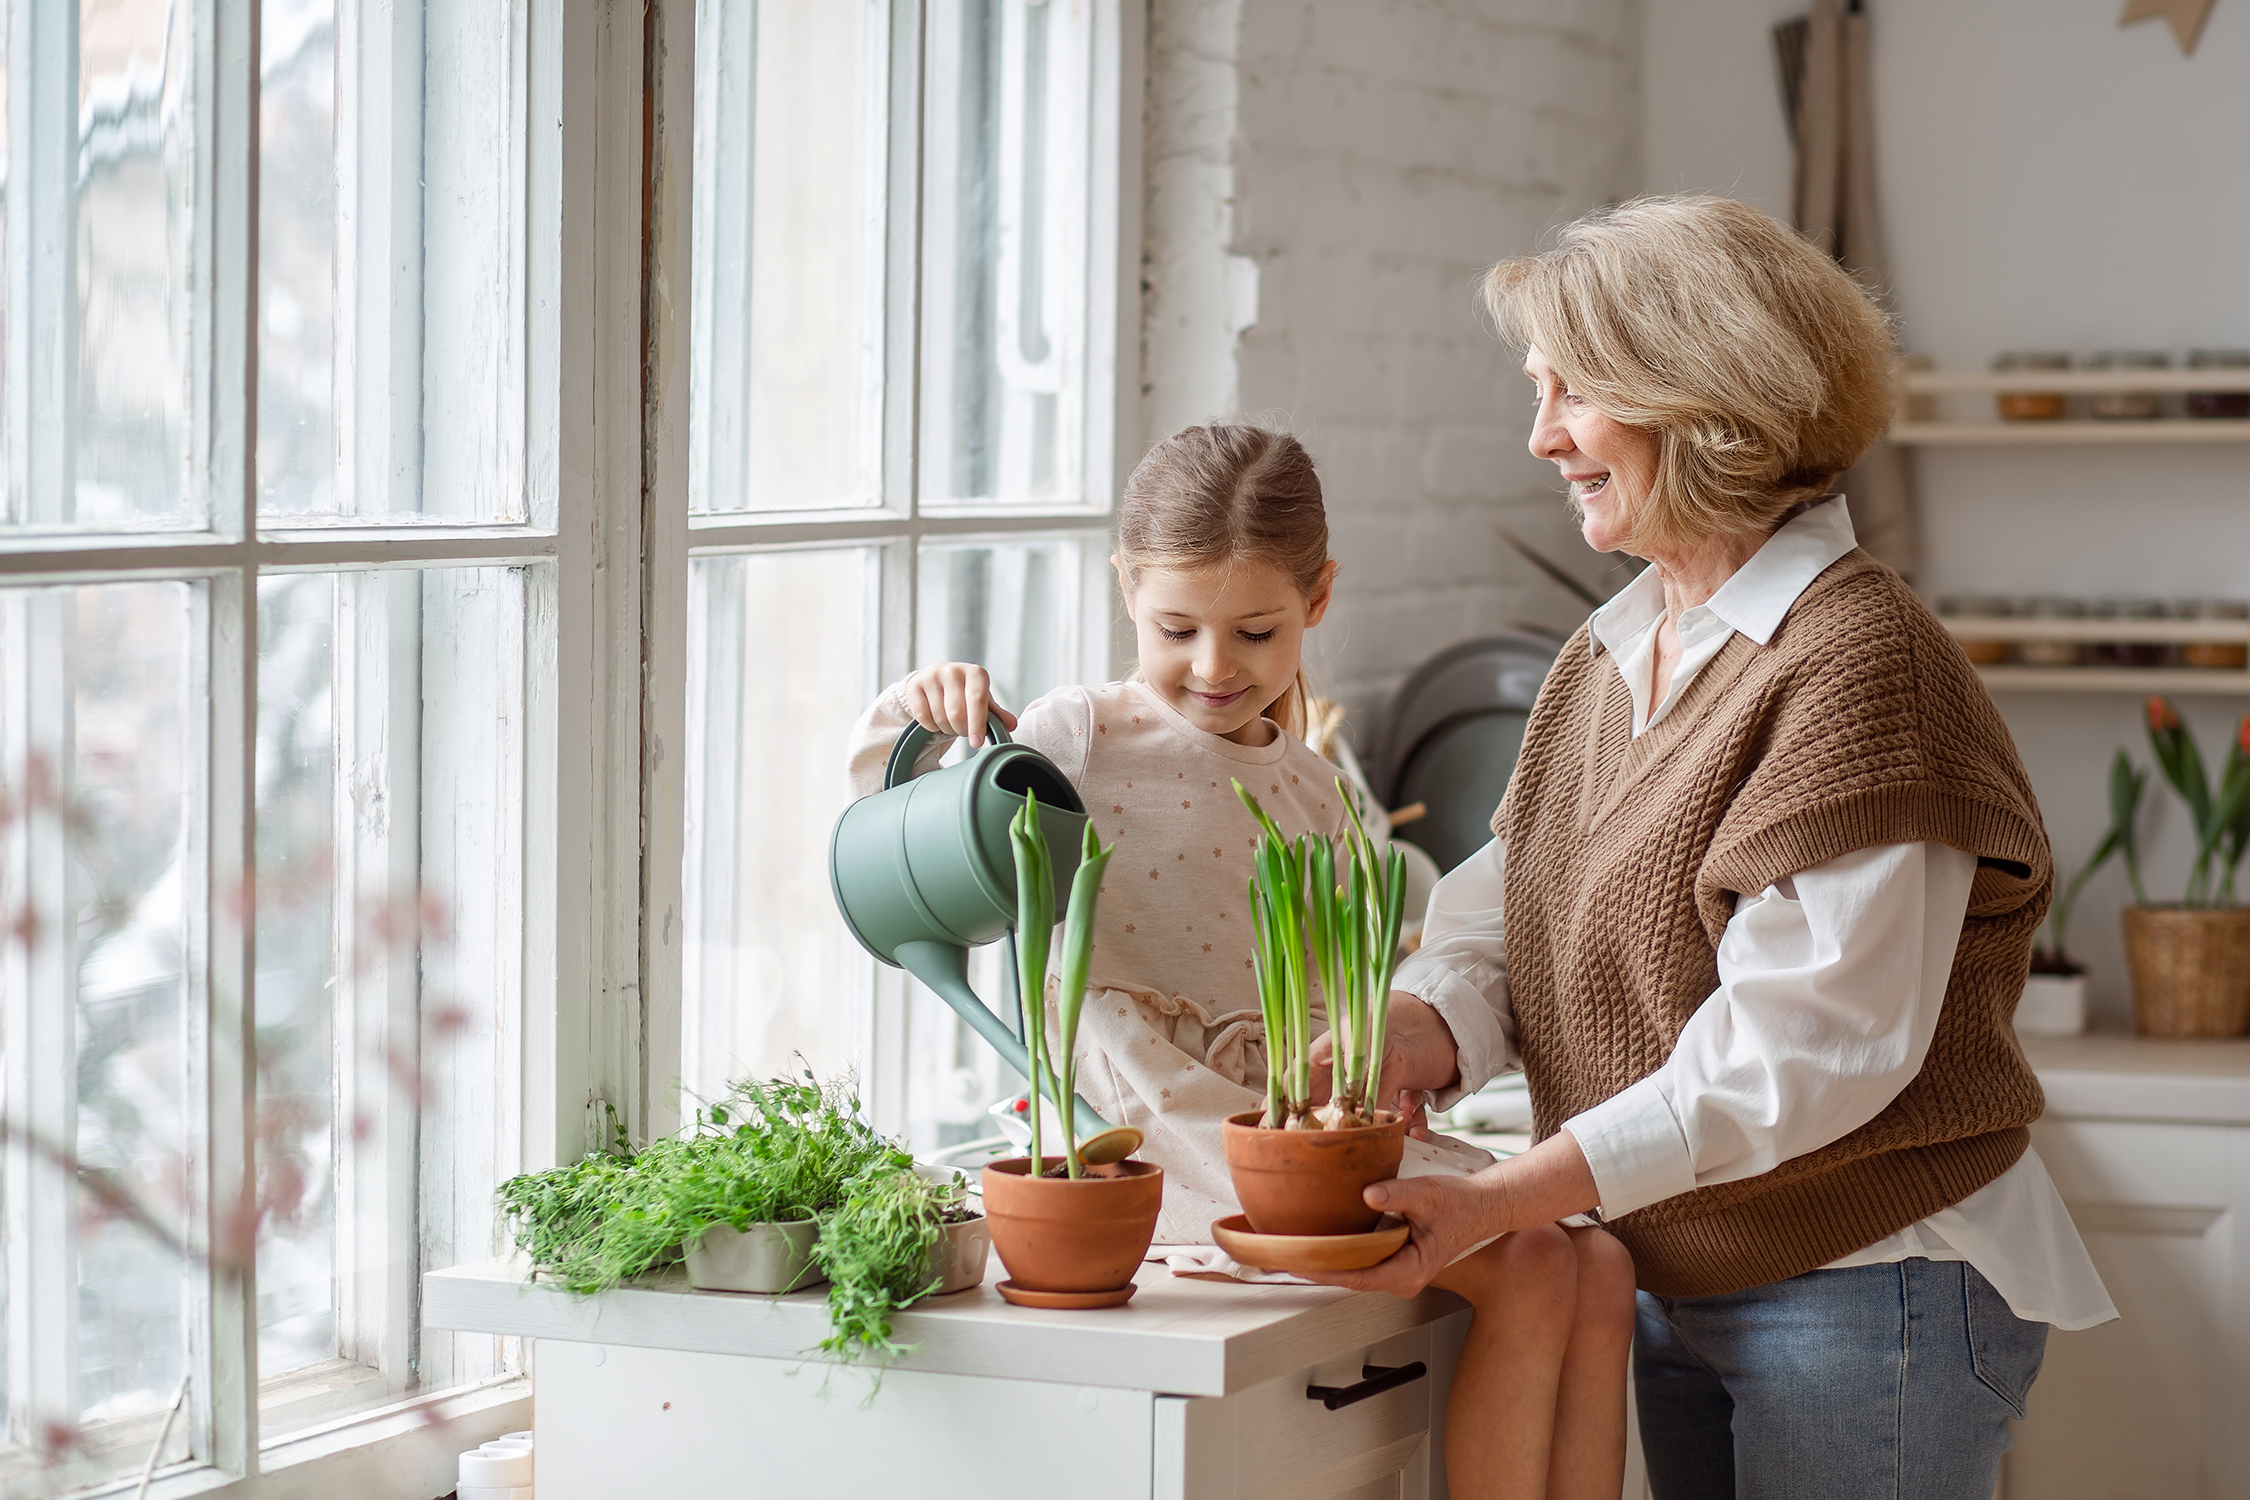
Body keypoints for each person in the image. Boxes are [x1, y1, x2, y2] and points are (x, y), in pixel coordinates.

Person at [1302, 195, 2117, 1500]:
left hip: (1867, 1290)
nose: (1541, 437)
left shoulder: (1855, 664)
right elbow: (1515, 902)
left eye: (1573, 394)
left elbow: (1804, 1051)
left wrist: (1508, 1194)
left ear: (1698, 396)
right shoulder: (1616, 649)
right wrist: (1428, 1025)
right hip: (1684, 1270)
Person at [846, 422, 1627, 1499]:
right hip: (1174, 1132)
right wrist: (925, 713)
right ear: (1127, 589)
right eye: (1178, 627)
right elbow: (897, 819)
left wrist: (1369, 1077)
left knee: (1605, 1260)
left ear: (1317, 599)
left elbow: (1331, 989)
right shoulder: (1082, 734)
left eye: (1255, 632)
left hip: (1295, 1123)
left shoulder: (1316, 791)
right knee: (1537, 1263)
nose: (1214, 667)